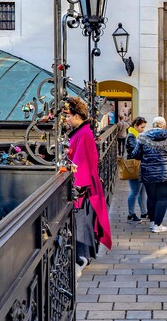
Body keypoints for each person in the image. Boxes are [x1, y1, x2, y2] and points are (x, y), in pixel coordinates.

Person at [66, 97, 112, 266]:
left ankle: (82, 257)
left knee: (82, 224)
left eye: (68, 115)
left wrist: (76, 189)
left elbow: (82, 164)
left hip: (83, 190)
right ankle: (85, 254)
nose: (66, 119)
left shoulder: (84, 133)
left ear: (77, 116)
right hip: (86, 186)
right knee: (84, 223)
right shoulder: (83, 131)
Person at [130, 116, 167, 232]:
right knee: (163, 198)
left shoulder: (143, 136)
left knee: (151, 197)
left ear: (153, 125)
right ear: (164, 125)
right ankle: (158, 224)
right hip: (166, 172)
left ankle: (152, 223)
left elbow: (135, 154)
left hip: (148, 172)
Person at [125, 117, 149, 221]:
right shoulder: (131, 136)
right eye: (142, 127)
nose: (143, 129)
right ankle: (131, 214)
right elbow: (136, 151)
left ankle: (144, 212)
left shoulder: (134, 135)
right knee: (135, 191)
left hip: (138, 166)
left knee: (141, 191)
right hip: (134, 167)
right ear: (135, 126)